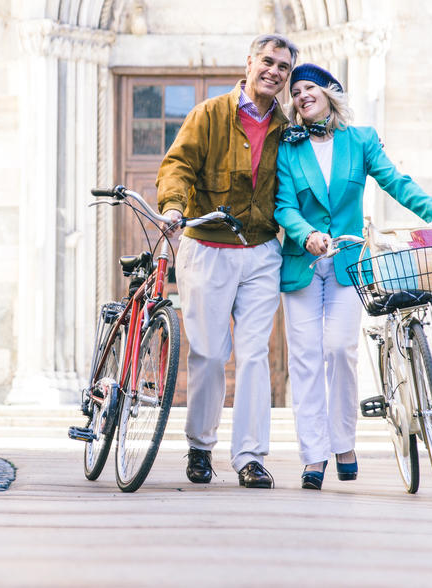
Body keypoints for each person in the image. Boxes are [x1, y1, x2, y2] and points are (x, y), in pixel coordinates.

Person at [273, 64, 432, 490]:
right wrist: (306, 234)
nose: (301, 95)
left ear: (330, 92)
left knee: (340, 349)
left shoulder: (360, 139)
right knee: (305, 359)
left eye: (309, 87)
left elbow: (396, 182)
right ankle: (313, 456)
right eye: (296, 91)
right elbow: (284, 205)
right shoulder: (289, 147)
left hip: (348, 263)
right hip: (301, 262)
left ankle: (344, 444)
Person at [156, 34, 298, 488]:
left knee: (255, 354)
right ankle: (200, 447)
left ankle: (250, 457)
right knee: (209, 353)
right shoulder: (210, 114)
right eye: (267, 61)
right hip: (207, 247)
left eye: (283, 67)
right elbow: (178, 164)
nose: (274, 72)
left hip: (261, 251)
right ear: (249, 63)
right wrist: (173, 206)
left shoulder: (287, 127)